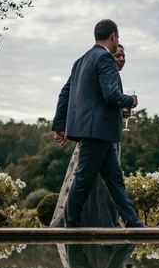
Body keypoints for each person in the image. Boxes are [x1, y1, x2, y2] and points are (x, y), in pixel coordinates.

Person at [51, 20, 143, 228]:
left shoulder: (81, 61)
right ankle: (70, 225)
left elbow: (65, 93)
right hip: (98, 131)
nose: (117, 42)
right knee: (83, 180)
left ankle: (134, 222)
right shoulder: (104, 58)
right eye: (117, 38)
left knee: (115, 181)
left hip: (96, 132)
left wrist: (60, 125)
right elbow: (111, 94)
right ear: (113, 36)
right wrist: (130, 101)